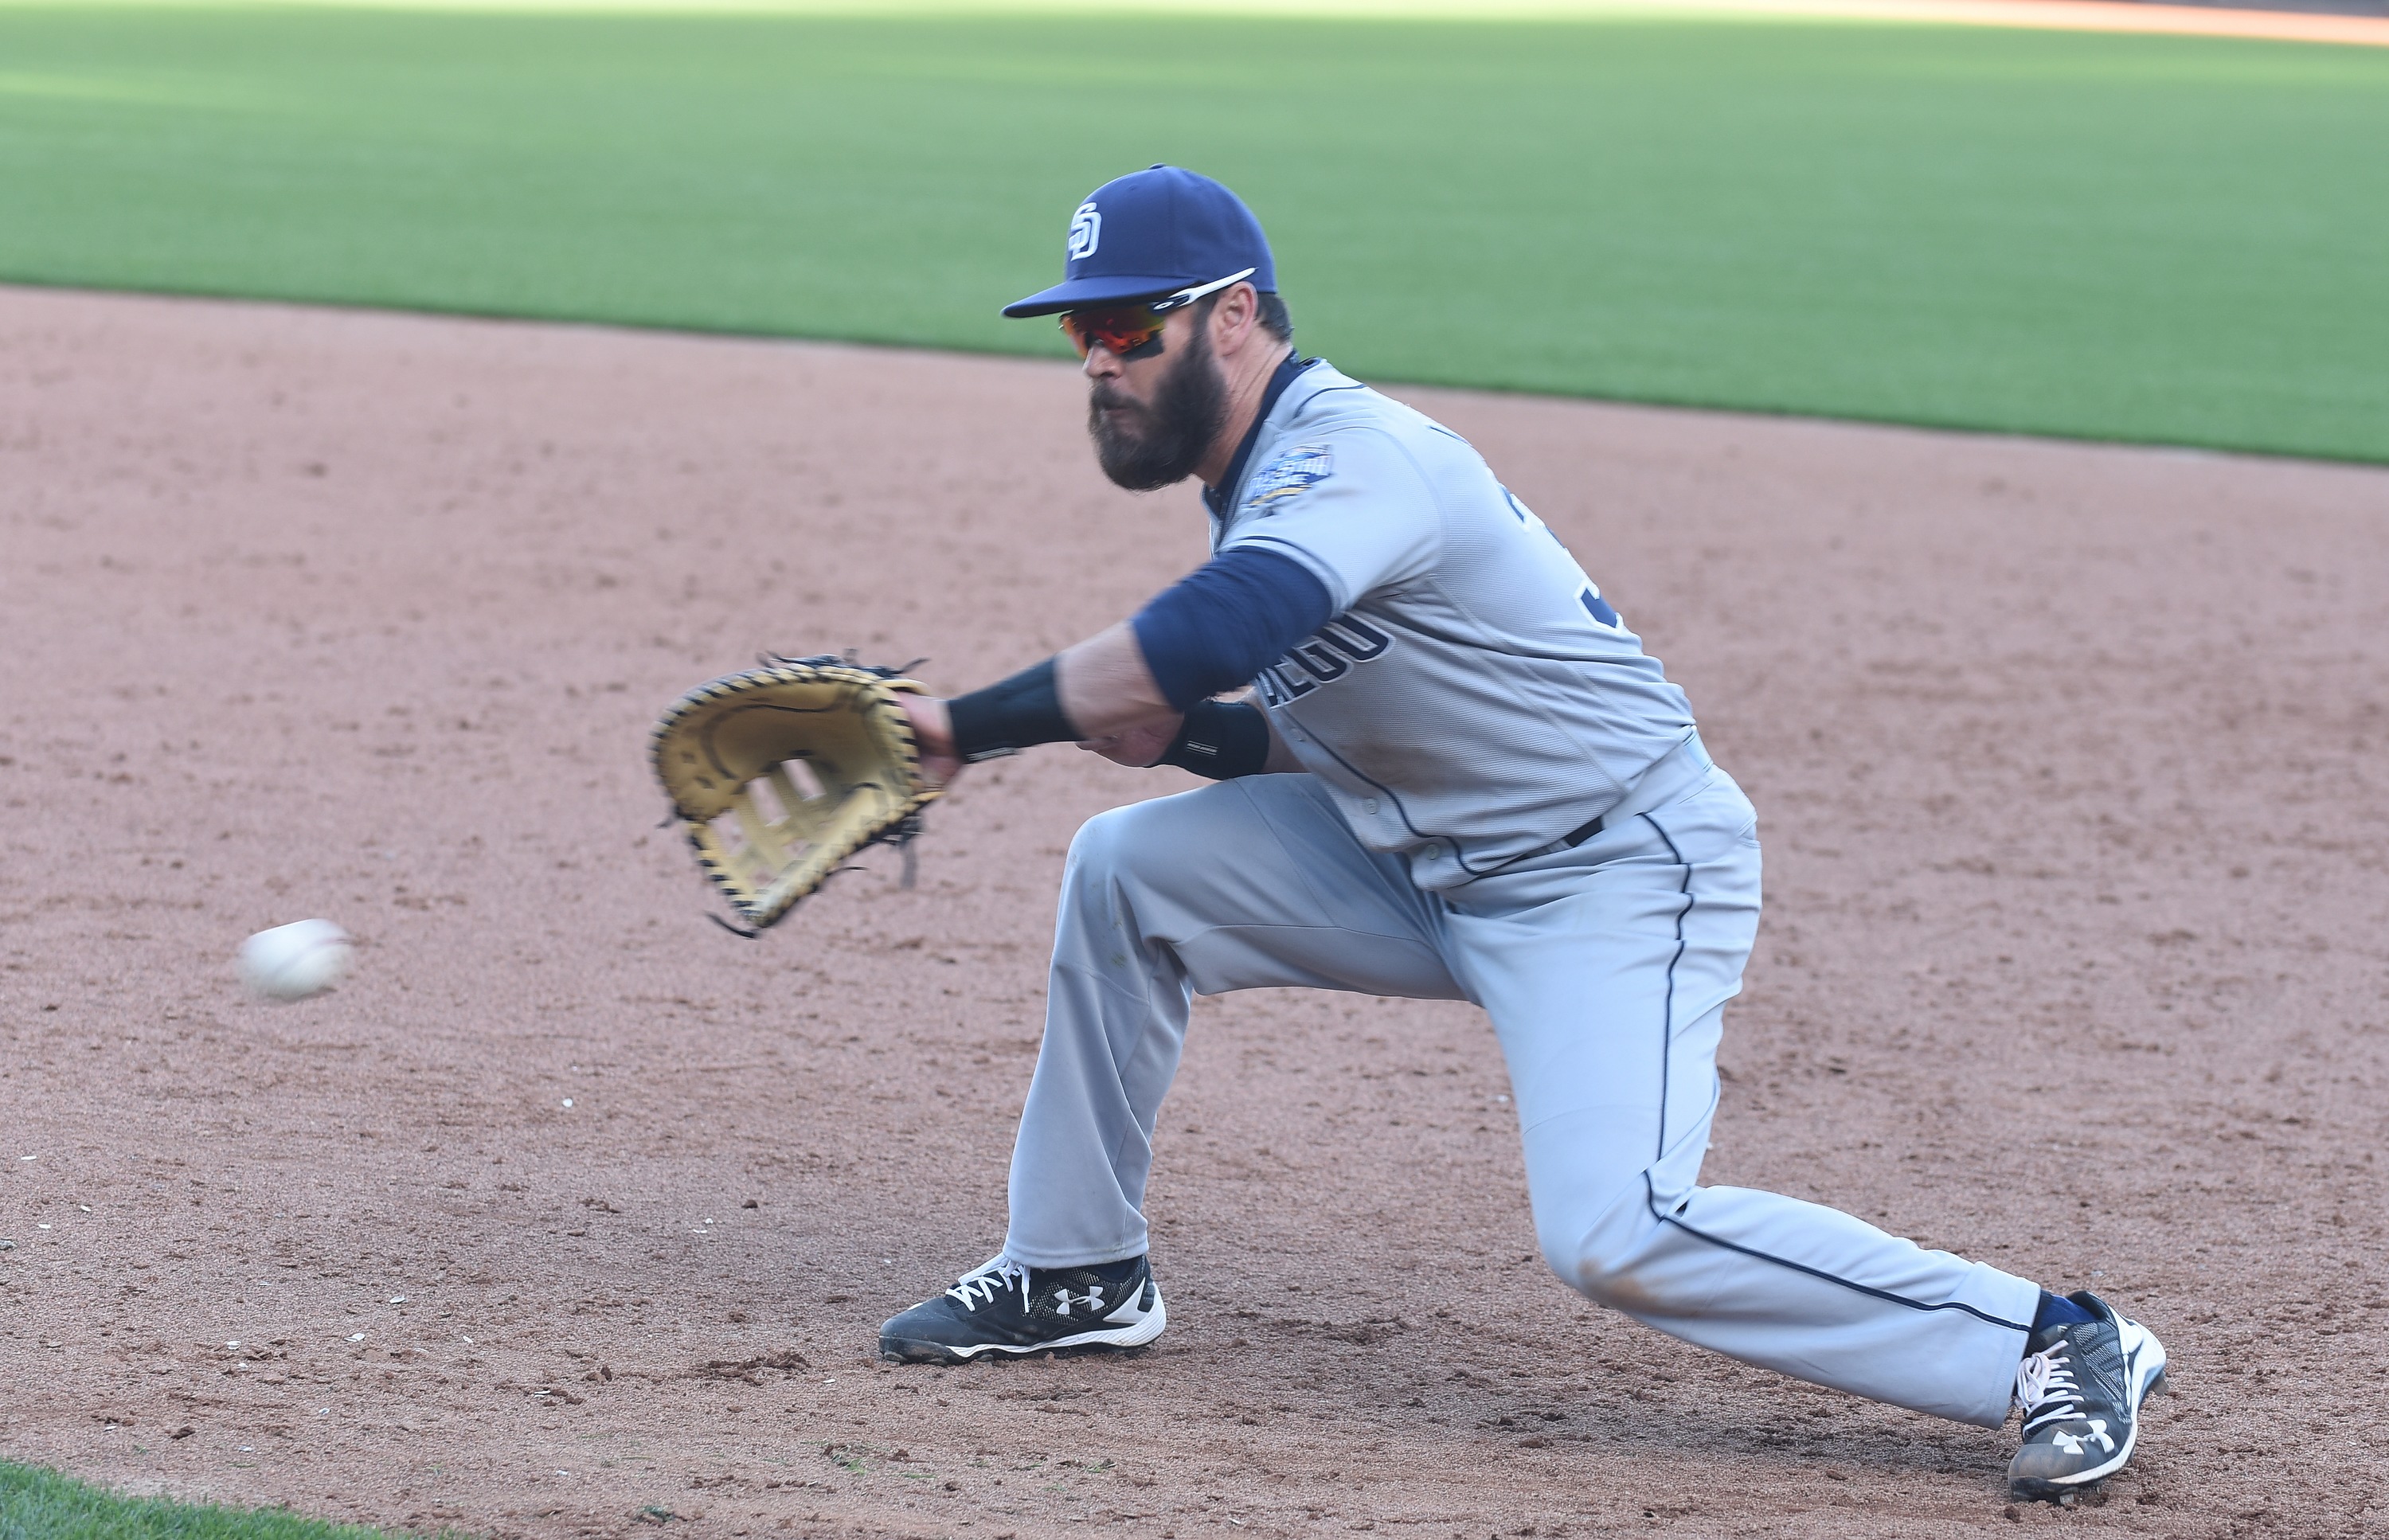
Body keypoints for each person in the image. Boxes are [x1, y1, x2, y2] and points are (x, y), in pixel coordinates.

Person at [874, 165, 2168, 1504]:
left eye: (1132, 326)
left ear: (1238, 316)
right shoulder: (1258, 480)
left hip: (1612, 869)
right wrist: (1189, 736)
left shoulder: (1351, 456)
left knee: (1617, 1230)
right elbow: (1330, 721)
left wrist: (963, 725)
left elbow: (1206, 635)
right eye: (1081, 334)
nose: (1098, 361)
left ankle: (2051, 1338)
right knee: (1127, 871)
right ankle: (1079, 1263)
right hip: (1425, 858)